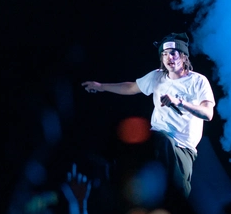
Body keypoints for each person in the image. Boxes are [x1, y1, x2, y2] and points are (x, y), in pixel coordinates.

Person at [82, 33, 214, 197]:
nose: (168, 58)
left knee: (178, 191)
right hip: (158, 138)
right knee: (151, 143)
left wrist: (180, 102)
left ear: (184, 56)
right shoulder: (157, 76)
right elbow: (131, 88)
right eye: (164, 54)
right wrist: (101, 86)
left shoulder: (198, 81)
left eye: (173, 53)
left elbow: (207, 114)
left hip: (182, 147)